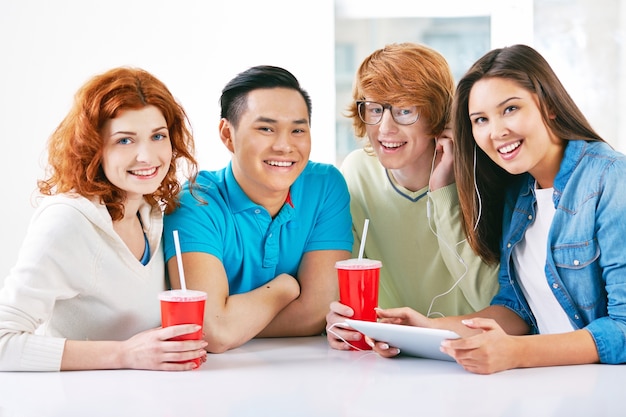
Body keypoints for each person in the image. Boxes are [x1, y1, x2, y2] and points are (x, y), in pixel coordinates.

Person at [368, 44, 626, 374]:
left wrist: (517, 353)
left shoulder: (611, 178)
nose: (496, 132)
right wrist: (425, 329)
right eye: (480, 120)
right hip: (552, 389)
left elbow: (623, 328)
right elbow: (515, 311)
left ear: (548, 105)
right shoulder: (520, 193)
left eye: (510, 109)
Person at [0, 67, 206, 372]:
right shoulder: (68, 221)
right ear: (93, 147)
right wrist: (124, 355)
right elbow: (4, 342)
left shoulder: (151, 214)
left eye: (158, 136)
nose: (147, 156)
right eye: (125, 141)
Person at [163, 65, 353, 353]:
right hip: (211, 383)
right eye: (266, 129)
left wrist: (233, 322)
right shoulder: (195, 202)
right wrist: (285, 288)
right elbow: (211, 329)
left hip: (307, 374)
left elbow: (317, 312)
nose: (284, 146)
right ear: (228, 134)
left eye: (298, 130)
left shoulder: (325, 186)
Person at [326, 43, 499, 350]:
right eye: (375, 110)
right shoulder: (357, 173)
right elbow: (347, 285)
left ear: (438, 115)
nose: (385, 128)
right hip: (388, 356)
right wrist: (339, 320)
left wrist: (443, 192)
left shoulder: (479, 176)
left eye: (405, 110)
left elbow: (489, 299)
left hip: (467, 353)